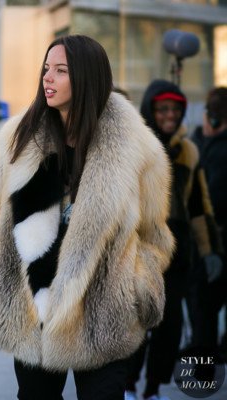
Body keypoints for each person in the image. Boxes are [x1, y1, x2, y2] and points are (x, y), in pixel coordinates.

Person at [0, 35, 174, 400]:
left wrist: (138, 290)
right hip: (34, 313)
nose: (47, 78)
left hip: (104, 316)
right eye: (46, 69)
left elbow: (153, 234)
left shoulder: (138, 149)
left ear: (87, 77)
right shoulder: (18, 140)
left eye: (61, 71)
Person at [125, 79, 223, 400]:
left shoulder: (188, 150)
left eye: (176, 109)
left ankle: (152, 389)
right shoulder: (135, 147)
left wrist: (209, 251)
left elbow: (199, 206)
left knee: (170, 329)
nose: (170, 115)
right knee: (137, 326)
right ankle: (127, 386)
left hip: (178, 256)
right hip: (139, 253)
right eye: (162, 109)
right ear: (151, 109)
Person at [187, 87, 227, 359]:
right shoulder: (197, 141)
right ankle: (203, 354)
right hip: (203, 238)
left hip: (221, 234)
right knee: (202, 303)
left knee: (207, 300)